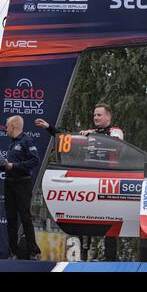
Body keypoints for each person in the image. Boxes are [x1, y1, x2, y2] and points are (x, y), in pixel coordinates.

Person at [35, 103, 123, 261]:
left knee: (110, 219)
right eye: (94, 115)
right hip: (91, 182)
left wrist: (92, 135)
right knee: (86, 217)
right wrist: (49, 128)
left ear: (108, 117)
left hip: (109, 182)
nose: (95, 117)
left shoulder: (115, 131)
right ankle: (83, 255)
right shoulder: (90, 133)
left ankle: (111, 258)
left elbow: (115, 142)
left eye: (99, 115)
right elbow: (66, 139)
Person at [2, 115, 41, 260]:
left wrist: (14, 166)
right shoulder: (12, 144)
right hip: (10, 183)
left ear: (13, 125)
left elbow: (34, 160)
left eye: (7, 126)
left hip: (22, 183)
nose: (6, 129)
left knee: (25, 217)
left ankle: (33, 252)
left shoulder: (26, 140)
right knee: (11, 218)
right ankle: (14, 252)